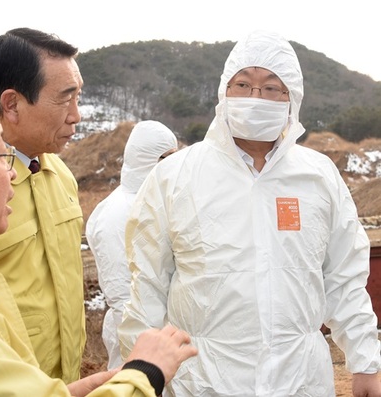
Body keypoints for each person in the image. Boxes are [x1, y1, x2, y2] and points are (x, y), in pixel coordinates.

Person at [118, 30, 381, 396]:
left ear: (293, 99)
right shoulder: (175, 176)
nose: (255, 97)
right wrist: (138, 377)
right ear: (224, 92)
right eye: (243, 84)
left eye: (272, 88)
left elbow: (344, 278)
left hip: (300, 378)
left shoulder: (318, 177)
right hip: (204, 379)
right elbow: (146, 283)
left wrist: (366, 362)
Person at [0, 78, 198, 397]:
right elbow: (124, 294)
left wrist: (69, 390)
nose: (12, 172)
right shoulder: (118, 211)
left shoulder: (59, 176)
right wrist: (147, 370)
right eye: (0, 154)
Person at [0, 27, 86, 383]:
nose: (76, 116)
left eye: (78, 98)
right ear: (11, 104)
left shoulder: (60, 174)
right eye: (64, 99)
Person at [86, 120, 178, 369]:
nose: (173, 165)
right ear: (146, 160)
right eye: (165, 158)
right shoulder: (116, 214)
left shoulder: (157, 201)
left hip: (165, 339)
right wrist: (143, 359)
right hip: (138, 345)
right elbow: (123, 295)